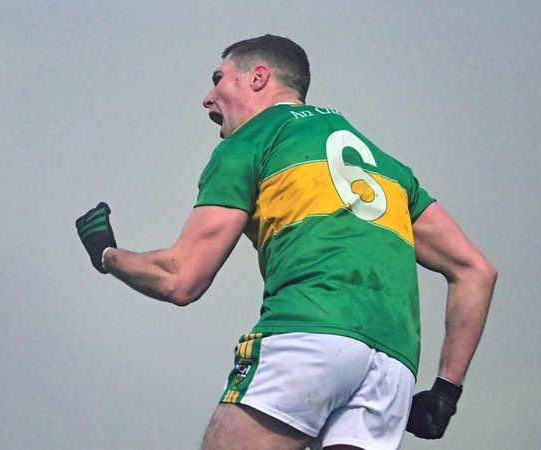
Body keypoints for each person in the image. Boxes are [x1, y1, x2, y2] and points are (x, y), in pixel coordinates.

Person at [76, 34, 497, 450]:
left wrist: (107, 255)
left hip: (308, 336)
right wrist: (445, 393)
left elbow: (181, 278)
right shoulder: (383, 164)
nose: (207, 98)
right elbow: (476, 270)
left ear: (258, 78)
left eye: (219, 79)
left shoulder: (252, 141)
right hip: (391, 370)